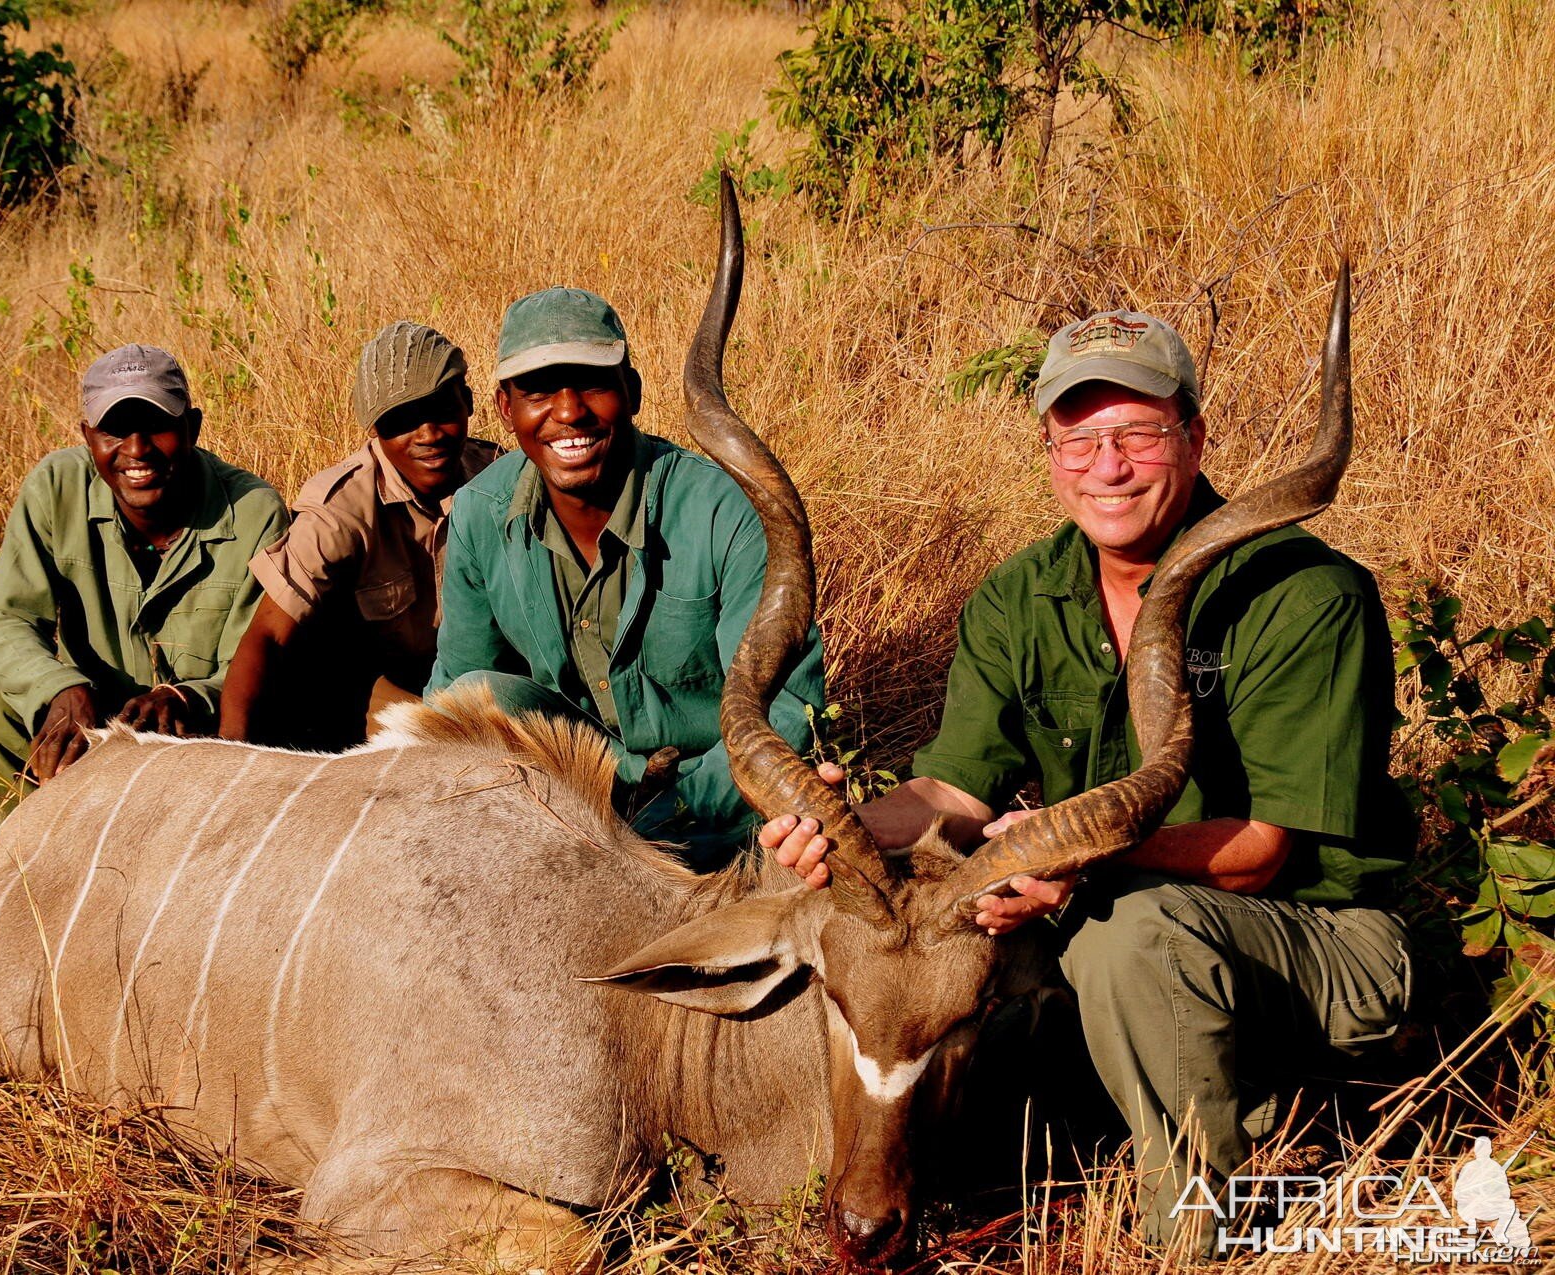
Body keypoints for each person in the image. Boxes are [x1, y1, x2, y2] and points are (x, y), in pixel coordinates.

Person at [761, 308, 1412, 1246]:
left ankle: (1200, 1234)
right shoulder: (1021, 595)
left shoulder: (1308, 596)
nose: (1109, 466)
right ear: (1051, 449)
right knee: (906, 943)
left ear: (1194, 435)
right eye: (1080, 437)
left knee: (1125, 938)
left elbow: (1266, 851)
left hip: (1321, 942)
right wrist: (831, 823)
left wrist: (1084, 863)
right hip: (1109, 913)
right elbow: (949, 796)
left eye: (1138, 433)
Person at [427, 286, 827, 867]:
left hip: (710, 813)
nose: (568, 412)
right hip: (564, 804)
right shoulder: (478, 514)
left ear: (632, 392)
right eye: (538, 390)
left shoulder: (723, 510)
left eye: (592, 383)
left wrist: (667, 822)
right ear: (503, 409)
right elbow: (456, 700)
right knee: (470, 703)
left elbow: (787, 710)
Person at [0, 344, 290, 825]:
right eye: (113, 430)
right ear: (88, 436)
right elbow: (2, 617)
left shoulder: (253, 511)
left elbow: (264, 659)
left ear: (192, 426)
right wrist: (59, 688)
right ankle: (40, 868)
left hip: (202, 730)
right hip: (94, 711)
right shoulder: (56, 486)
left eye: (156, 426)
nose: (136, 450)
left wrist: (185, 697)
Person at [217, 322, 500, 750]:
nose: (428, 434)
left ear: (469, 403)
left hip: (482, 685)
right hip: (373, 699)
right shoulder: (340, 509)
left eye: (442, 409)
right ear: (374, 428)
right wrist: (232, 756)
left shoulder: (501, 478)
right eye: (402, 419)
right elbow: (269, 636)